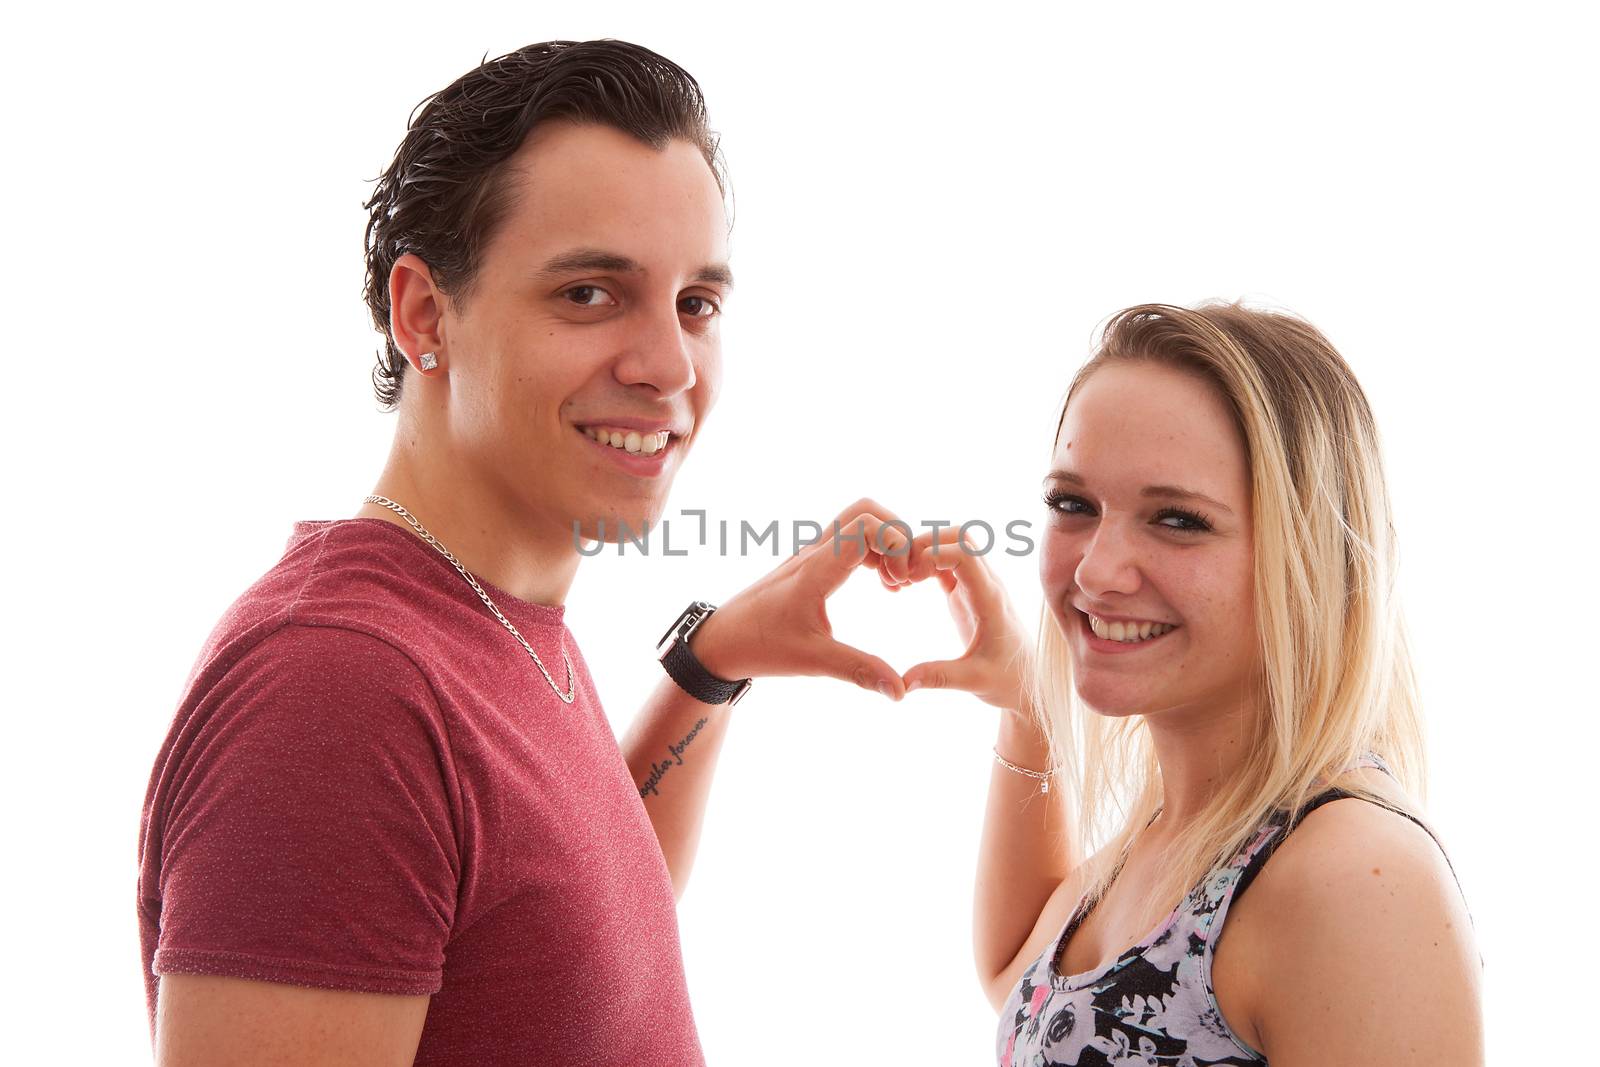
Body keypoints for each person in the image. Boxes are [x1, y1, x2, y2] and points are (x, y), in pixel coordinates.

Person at [136, 40, 915, 1066]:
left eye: (697, 303)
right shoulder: (342, 688)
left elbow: (567, 928)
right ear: (425, 315)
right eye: (589, 292)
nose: (669, 364)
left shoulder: (489, 615)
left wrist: (708, 665)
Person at [896, 303, 1483, 1065]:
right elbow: (1023, 980)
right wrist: (1027, 704)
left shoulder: (1355, 879)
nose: (1096, 571)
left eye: (1177, 519)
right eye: (1073, 504)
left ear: (1306, 555)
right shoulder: (1175, 831)